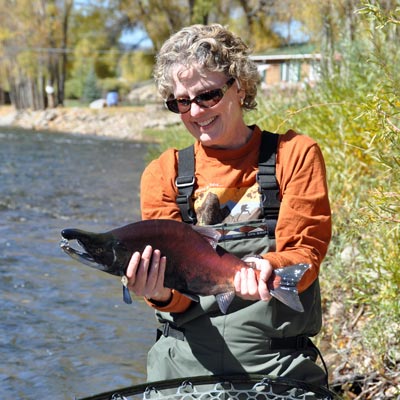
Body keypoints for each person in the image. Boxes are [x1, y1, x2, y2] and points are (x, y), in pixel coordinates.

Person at [125, 23, 332, 388]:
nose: (195, 111)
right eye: (181, 101)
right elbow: (179, 300)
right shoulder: (163, 174)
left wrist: (265, 268)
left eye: (207, 95)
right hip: (183, 374)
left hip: (277, 370)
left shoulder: (294, 155)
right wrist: (156, 293)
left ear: (241, 87)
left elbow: (305, 255)